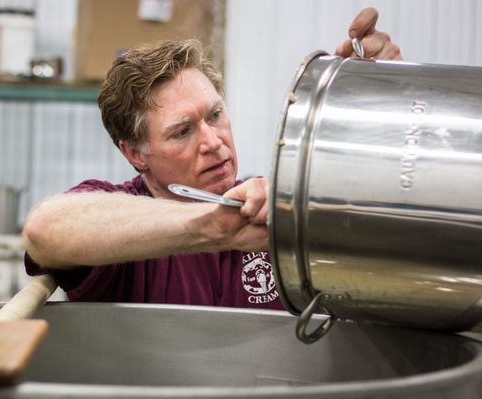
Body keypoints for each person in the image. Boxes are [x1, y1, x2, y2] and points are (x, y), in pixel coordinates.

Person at [22, 7, 402, 310]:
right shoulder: (120, 218)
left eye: (215, 115)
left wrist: (384, 102)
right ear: (136, 153)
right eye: (182, 131)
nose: (213, 142)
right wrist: (213, 227)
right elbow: (45, 229)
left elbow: (388, 208)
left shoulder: (269, 205)